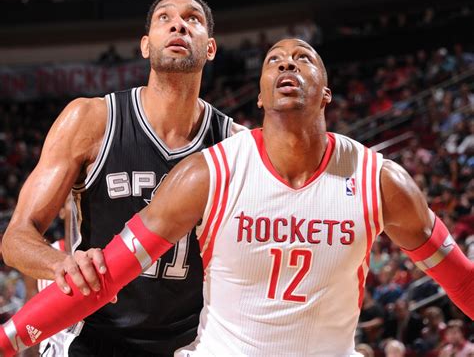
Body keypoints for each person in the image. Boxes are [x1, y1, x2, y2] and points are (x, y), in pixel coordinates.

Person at [1, 39, 473, 356]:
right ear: (260, 99)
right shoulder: (208, 173)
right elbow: (107, 277)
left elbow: (462, 283)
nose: (287, 63)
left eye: (303, 57)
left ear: (326, 93)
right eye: (274, 60)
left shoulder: (380, 180)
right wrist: (7, 340)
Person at [1, 0, 244, 356]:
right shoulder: (91, 120)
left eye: (192, 19)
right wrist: (62, 264)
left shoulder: (233, 144)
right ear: (145, 46)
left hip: (191, 343)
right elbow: (15, 238)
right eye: (165, 17)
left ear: (210, 48)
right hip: (93, 334)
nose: (178, 24)